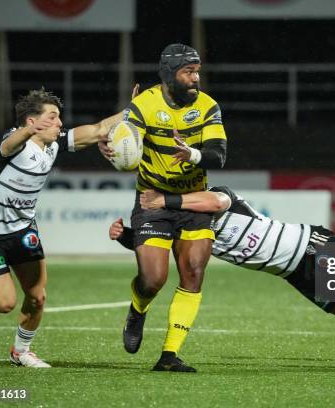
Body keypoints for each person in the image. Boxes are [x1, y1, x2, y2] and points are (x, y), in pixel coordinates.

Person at [109, 186, 335, 370]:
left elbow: (219, 203)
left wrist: (165, 200)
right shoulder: (180, 228)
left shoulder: (208, 195)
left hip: (310, 243)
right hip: (294, 272)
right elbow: (154, 248)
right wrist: (127, 236)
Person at [0, 87, 131, 368]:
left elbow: (97, 130)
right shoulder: (14, 142)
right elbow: (12, 142)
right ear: (31, 122)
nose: (59, 123)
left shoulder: (52, 145)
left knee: (38, 296)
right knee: (5, 304)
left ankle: (21, 351)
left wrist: (135, 108)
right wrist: (27, 131)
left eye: (59, 119)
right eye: (53, 118)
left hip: (22, 230)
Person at [100, 43, 227, 372]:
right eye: (188, 72)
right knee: (153, 279)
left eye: (197, 71)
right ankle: (138, 308)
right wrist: (116, 150)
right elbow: (129, 150)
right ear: (170, 75)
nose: (195, 78)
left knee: (194, 272)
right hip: (153, 200)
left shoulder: (208, 106)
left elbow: (218, 154)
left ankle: (169, 355)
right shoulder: (144, 105)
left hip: (193, 200)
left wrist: (193, 155)